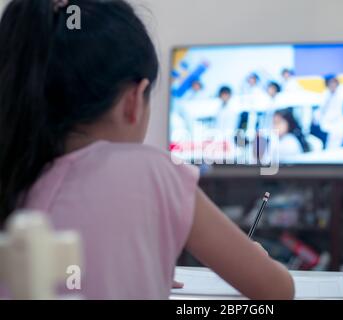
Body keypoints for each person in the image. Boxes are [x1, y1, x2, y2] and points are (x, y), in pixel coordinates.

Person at [0, 0, 294, 300]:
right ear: (134, 100)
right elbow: (277, 290)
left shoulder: (12, 167)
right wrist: (252, 257)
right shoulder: (154, 172)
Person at [310, 75, 343, 148]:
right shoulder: (325, 94)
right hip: (325, 123)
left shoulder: (342, 95)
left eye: (334, 82)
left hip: (338, 123)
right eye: (330, 83)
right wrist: (315, 118)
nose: (332, 85)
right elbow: (321, 109)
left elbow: (340, 112)